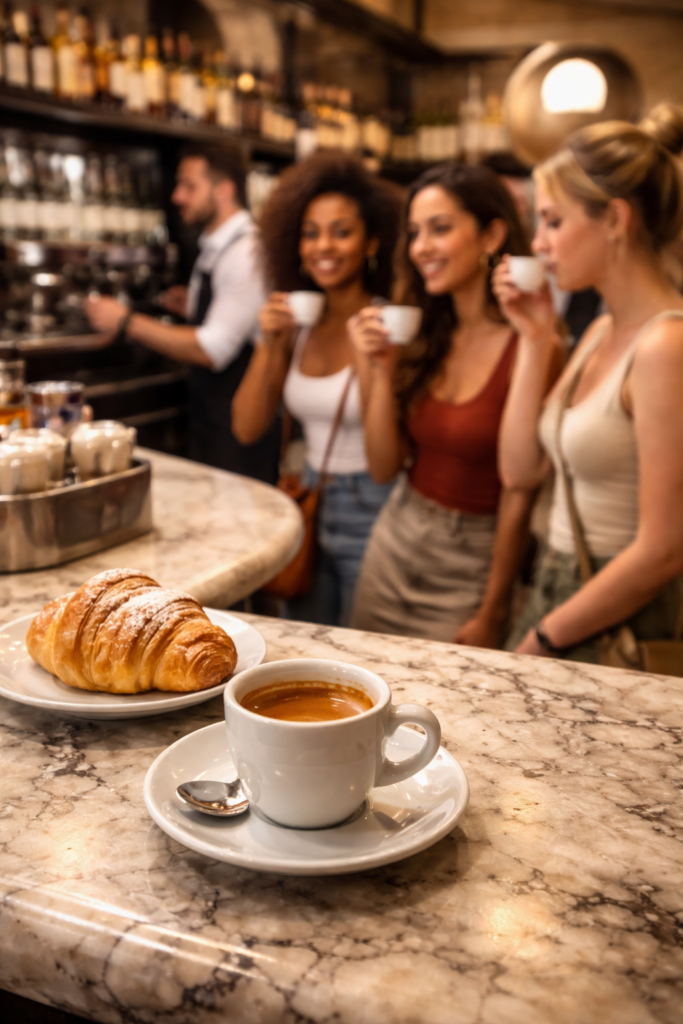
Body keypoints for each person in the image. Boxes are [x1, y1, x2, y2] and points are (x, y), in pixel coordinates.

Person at [347, 163, 562, 645]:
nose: (420, 247)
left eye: (440, 229)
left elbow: (519, 492)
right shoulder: (422, 333)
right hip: (395, 537)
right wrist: (377, 370)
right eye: (414, 232)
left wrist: (493, 608)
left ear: (492, 236)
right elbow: (382, 468)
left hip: (474, 562)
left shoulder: (534, 343)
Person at [493, 120, 683, 663]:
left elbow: (665, 550)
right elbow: (520, 470)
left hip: (613, 613)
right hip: (559, 584)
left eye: (553, 221)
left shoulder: (666, 345)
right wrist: (534, 339)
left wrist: (545, 637)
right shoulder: (602, 329)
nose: (538, 243)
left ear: (616, 220)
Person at [231, 152, 401, 627]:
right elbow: (246, 428)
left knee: (364, 646)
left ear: (371, 241)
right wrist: (270, 344)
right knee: (305, 638)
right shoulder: (298, 325)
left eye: (341, 232)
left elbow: (389, 459)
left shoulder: (386, 325)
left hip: (374, 504)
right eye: (310, 232)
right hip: (306, 495)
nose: (323, 245)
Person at [84, 141, 279, 482]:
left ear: (224, 190)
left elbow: (212, 349)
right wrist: (194, 302)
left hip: (239, 431)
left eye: (189, 186)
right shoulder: (217, 244)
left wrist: (126, 321)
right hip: (212, 418)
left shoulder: (247, 252)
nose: (177, 197)